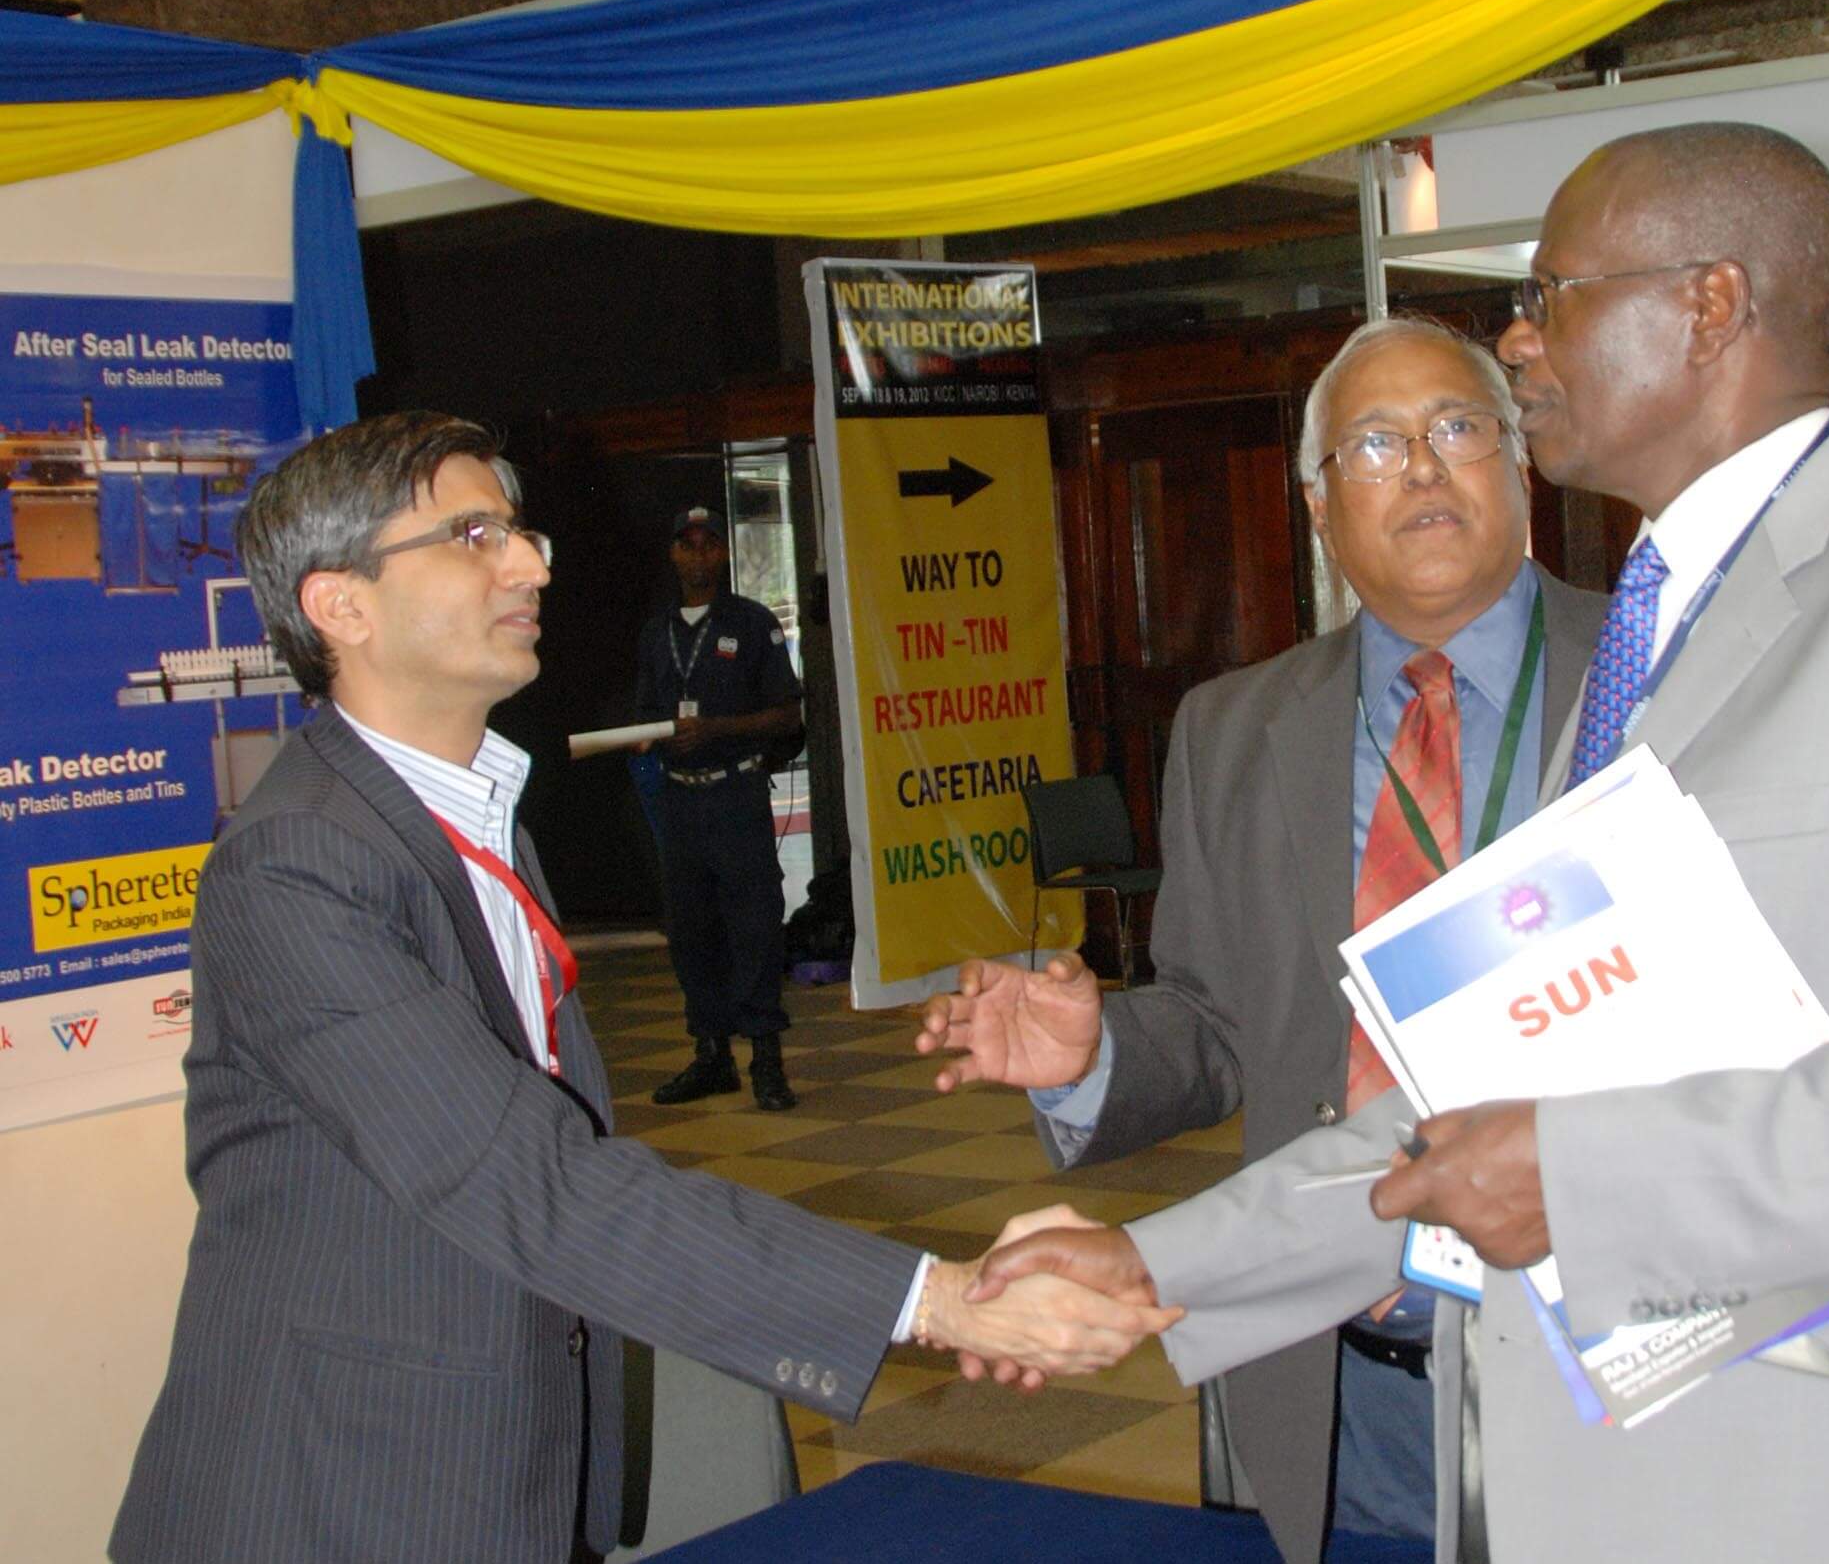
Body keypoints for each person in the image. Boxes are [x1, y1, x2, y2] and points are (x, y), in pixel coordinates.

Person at [971, 122, 1829, 1563]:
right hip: (1599, 1462)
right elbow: (1483, 1093)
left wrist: (1587, 1172)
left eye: (1550, 295)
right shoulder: (1651, 635)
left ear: (1708, 305)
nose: (1517, 339)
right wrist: (1150, 1259)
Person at [109, 413, 1176, 1564]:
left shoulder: (469, 815)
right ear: (340, 605)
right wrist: (936, 1299)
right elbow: (523, 1178)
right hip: (336, 1492)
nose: (529, 566)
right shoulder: (296, 866)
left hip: (499, 1464)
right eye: (471, 537)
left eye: (519, 534)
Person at [916, 316, 1607, 1554]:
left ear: (1518, 461)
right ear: (1318, 506)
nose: (1423, 466)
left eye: (1458, 428)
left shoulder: (1658, 670)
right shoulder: (1231, 731)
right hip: (1353, 1384)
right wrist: (1096, 1054)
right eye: (1374, 444)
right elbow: (1223, 1023)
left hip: (1614, 1352)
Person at [636, 505, 802, 1111]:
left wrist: (716, 730)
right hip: (680, 797)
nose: (698, 556)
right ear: (673, 553)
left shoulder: (752, 623)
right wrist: (652, 736)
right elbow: (645, 715)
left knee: (754, 925)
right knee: (691, 930)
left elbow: (787, 714)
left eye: (709, 544)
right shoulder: (656, 632)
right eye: (687, 545)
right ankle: (711, 1056)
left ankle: (766, 1060)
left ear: (724, 553)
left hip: (736, 795)